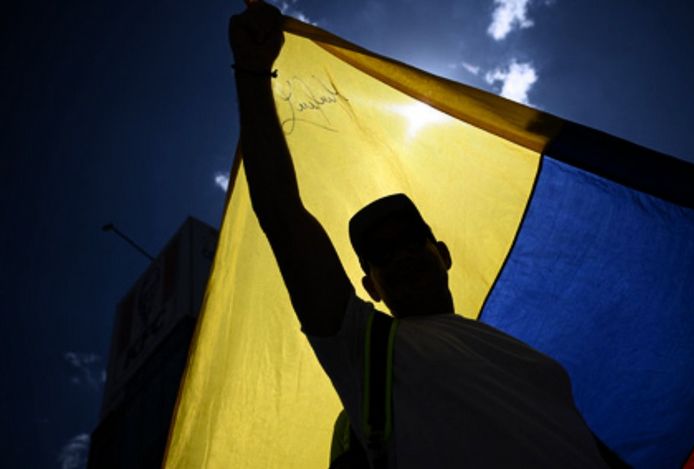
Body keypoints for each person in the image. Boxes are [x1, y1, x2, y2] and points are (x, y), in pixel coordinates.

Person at [229, 2, 610, 467]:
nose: (401, 255)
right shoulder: (363, 349)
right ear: (370, 287)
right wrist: (253, 74)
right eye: (381, 253)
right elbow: (284, 218)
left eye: (411, 240)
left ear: (443, 253)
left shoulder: (528, 359)